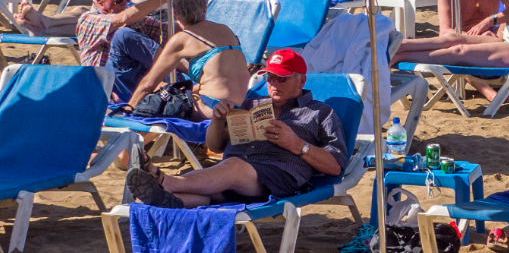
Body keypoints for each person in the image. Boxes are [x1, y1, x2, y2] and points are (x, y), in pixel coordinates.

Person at [125, 50, 347, 208]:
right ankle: (166, 195)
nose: (274, 84)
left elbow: (336, 166)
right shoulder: (251, 104)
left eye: (282, 78)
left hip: (277, 177)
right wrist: (218, 121)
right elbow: (215, 145)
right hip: (234, 180)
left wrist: (297, 144)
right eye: (270, 77)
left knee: (232, 166)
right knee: (198, 195)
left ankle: (164, 181)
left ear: (301, 81)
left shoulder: (320, 113)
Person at [12, 0, 167, 101]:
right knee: (122, 35)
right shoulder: (89, 20)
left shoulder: (123, 13)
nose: (125, 2)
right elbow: (123, 19)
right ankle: (43, 25)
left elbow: (164, 29)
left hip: (129, 83)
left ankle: (43, 26)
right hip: (104, 90)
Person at [125, 0, 252, 118]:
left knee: (159, 98)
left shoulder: (182, 39)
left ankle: (133, 135)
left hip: (213, 108)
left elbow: (147, 85)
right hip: (240, 109)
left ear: (175, 14)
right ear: (205, 9)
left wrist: (127, 112)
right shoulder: (226, 30)